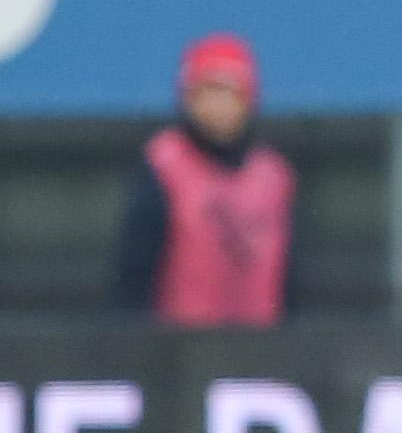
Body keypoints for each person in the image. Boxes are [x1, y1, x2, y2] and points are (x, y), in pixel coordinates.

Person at [114, 31, 297, 326]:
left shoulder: (273, 176)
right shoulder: (164, 168)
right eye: (207, 92)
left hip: (261, 350)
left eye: (229, 93)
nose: (218, 106)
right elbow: (135, 274)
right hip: (178, 353)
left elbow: (291, 278)